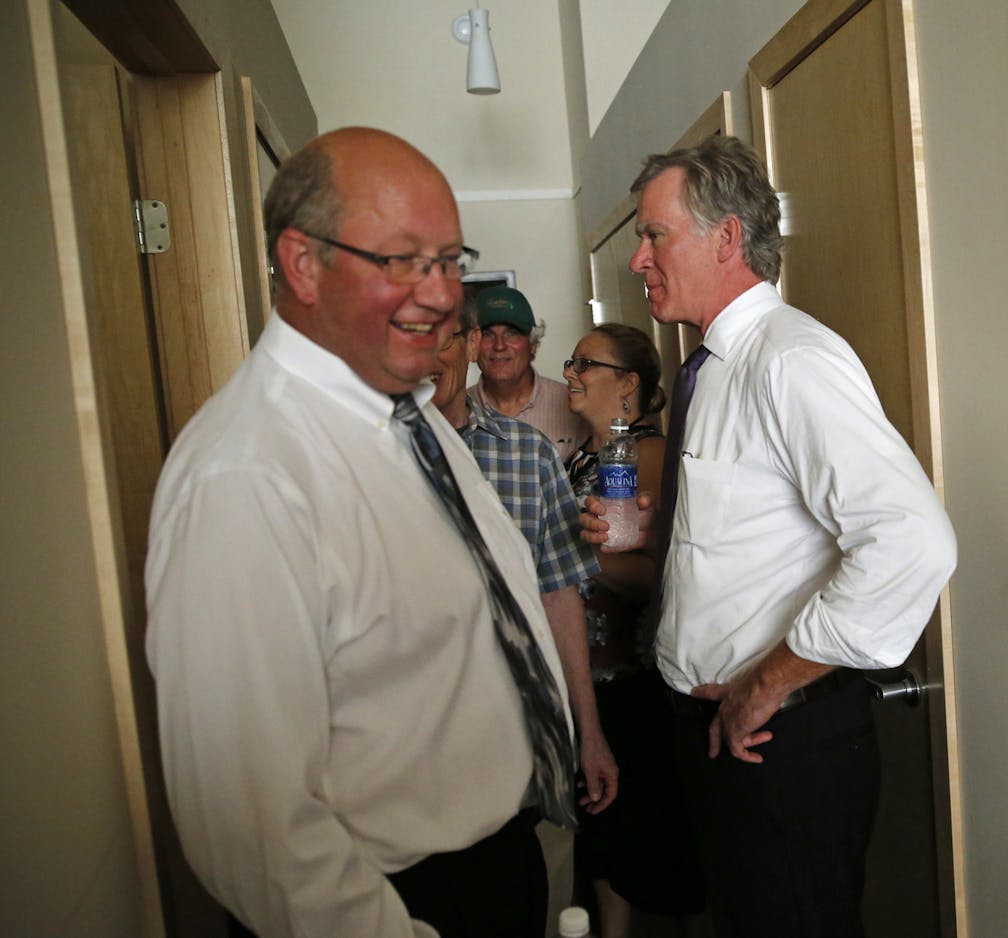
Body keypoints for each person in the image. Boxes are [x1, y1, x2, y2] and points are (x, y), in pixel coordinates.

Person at [145, 127, 574, 938]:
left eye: (449, 259)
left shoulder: (409, 411)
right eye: (402, 260)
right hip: (388, 903)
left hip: (492, 867)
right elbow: (255, 830)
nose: (445, 294)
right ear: (303, 264)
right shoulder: (248, 475)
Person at [585, 135, 957, 937]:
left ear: (726, 238)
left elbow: (913, 541)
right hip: (719, 744)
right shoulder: (710, 367)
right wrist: (672, 535)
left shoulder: (791, 360)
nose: (637, 259)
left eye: (654, 235)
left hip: (783, 747)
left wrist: (768, 682)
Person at [430, 285, 618, 816]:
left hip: (512, 728)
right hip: (404, 742)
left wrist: (589, 729)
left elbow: (560, 595)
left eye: (440, 340)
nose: (424, 359)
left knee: (517, 884)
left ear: (466, 347)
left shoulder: (527, 453)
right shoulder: (365, 457)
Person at [562, 323, 704, 938]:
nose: (570, 373)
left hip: (631, 679)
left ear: (627, 384)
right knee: (601, 837)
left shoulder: (643, 454)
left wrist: (559, 557)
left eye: (584, 363)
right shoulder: (586, 456)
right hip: (586, 678)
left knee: (648, 843)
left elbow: (650, 573)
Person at [470, 285, 584, 461]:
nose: (499, 345)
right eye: (487, 334)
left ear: (533, 344)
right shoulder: (456, 408)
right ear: (472, 345)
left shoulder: (573, 405)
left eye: (512, 333)